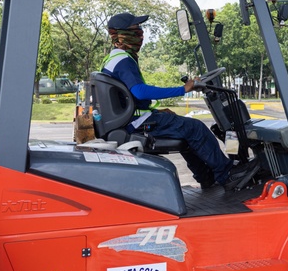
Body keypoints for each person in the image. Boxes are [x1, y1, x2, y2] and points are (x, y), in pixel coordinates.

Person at [101, 12, 247, 191]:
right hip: (136, 124)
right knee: (195, 128)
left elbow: (130, 99)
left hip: (134, 119)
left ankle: (206, 177)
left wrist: (156, 112)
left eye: (140, 29)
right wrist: (183, 89)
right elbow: (139, 92)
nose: (140, 33)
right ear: (120, 34)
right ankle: (227, 174)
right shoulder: (123, 60)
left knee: (185, 131)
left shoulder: (114, 59)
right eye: (135, 29)